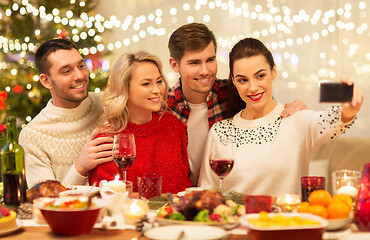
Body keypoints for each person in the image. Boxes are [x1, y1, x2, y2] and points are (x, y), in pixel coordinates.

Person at [198, 38, 363, 196]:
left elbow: (335, 121)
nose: (253, 87)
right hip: (234, 223)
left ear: (273, 72)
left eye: (260, 76)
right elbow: (206, 194)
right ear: (233, 81)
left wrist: (349, 110)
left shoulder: (296, 119)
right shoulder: (219, 131)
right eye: (243, 80)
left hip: (286, 223)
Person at [167, 23, 307, 186]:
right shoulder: (163, 108)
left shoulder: (235, 92)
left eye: (210, 60)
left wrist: (298, 107)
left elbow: (268, 113)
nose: (205, 70)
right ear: (174, 65)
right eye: (194, 63)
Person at [88, 51, 192, 193]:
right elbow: (104, 197)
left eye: (159, 81)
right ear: (124, 88)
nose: (157, 90)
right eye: (146, 84)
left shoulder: (172, 125)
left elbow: (184, 184)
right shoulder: (107, 139)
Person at [19, 39, 113, 188]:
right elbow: (47, 201)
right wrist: (80, 167)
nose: (80, 76)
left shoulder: (108, 104)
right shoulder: (32, 135)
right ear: (46, 81)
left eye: (81, 66)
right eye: (67, 71)